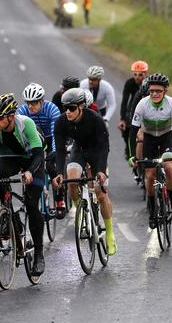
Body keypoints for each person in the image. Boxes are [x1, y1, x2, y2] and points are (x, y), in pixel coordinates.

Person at [0, 93, 46, 276]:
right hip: (10, 158)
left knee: (31, 205)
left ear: (11, 117)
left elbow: (39, 153)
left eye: (0, 118)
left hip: (33, 159)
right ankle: (9, 214)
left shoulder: (26, 124)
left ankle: (38, 253)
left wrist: (30, 171)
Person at [53, 88, 117, 255]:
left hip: (97, 152)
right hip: (79, 150)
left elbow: (104, 147)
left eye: (72, 108)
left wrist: (101, 171)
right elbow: (60, 151)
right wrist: (59, 173)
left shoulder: (95, 119)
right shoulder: (61, 122)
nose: (68, 112)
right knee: (72, 182)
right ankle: (80, 212)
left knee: (100, 193)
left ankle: (109, 233)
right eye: (65, 108)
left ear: (82, 106)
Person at [128, 73, 172, 228]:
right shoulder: (142, 104)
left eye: (158, 91)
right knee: (150, 176)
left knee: (169, 167)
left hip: (166, 137)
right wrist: (132, 155)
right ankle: (152, 211)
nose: (155, 94)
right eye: (152, 91)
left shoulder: (171, 103)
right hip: (150, 139)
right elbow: (133, 132)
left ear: (165, 91)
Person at [17, 83, 65, 218]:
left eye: (34, 103)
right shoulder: (22, 111)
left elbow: (56, 134)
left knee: (51, 165)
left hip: (50, 138)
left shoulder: (52, 109)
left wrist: (54, 152)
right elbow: (19, 135)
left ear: (42, 101)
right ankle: (28, 197)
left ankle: (59, 198)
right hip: (33, 141)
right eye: (28, 103)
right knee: (29, 167)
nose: (30, 106)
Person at [118, 61, 149, 160]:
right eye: (135, 74)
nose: (137, 77)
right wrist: (122, 119)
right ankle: (129, 148)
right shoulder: (130, 83)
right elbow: (124, 101)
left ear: (145, 74)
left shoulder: (150, 84)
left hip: (147, 108)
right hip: (134, 106)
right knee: (128, 126)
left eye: (140, 75)